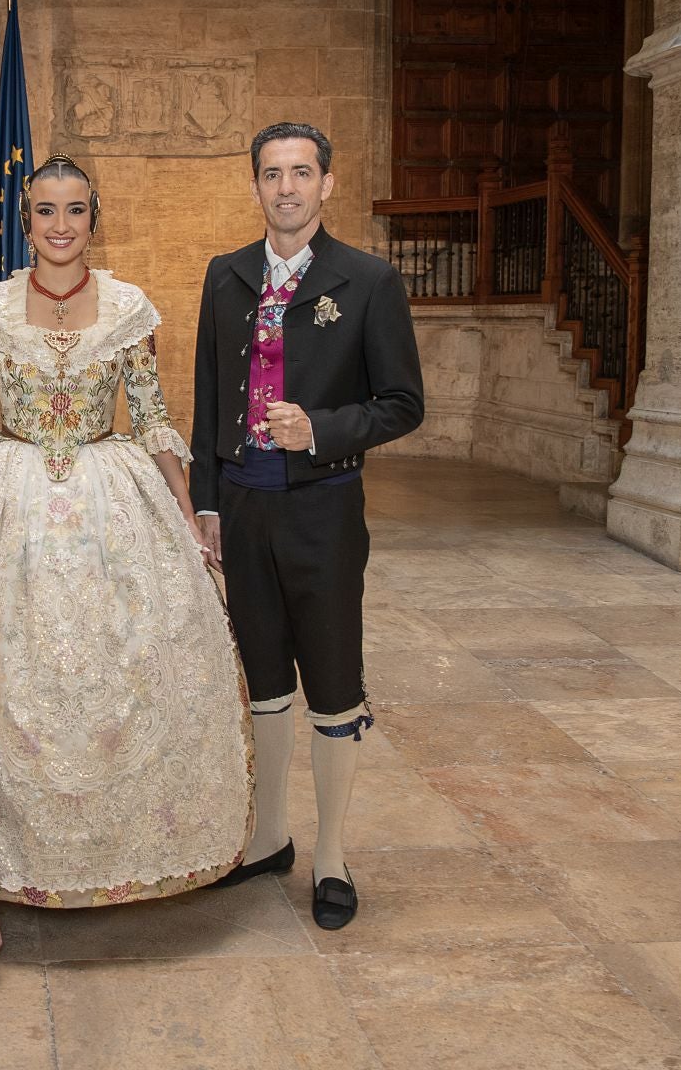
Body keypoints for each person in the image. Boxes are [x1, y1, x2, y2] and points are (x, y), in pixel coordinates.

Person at [0, 155, 252, 907]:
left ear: (93, 218)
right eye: (45, 211)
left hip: (109, 492)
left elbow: (154, 415)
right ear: (25, 220)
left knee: (131, 659)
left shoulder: (129, 305)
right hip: (11, 497)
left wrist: (187, 510)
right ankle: (4, 843)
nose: (60, 225)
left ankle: (126, 844)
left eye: (74, 210)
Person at [192, 123, 424, 930]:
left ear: (327, 183)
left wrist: (319, 429)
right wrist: (207, 504)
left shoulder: (367, 281)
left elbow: (402, 404)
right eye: (270, 174)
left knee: (330, 681)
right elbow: (205, 408)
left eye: (301, 173)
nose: (285, 187)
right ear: (255, 186)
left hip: (323, 512)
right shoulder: (224, 278)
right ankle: (268, 838)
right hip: (243, 510)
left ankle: (330, 855)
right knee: (263, 680)